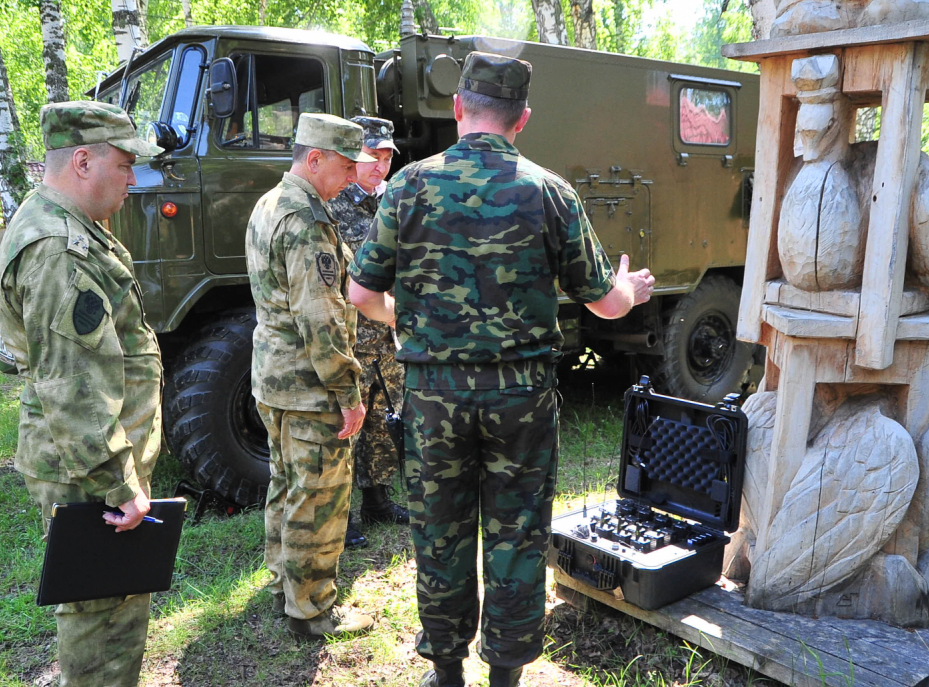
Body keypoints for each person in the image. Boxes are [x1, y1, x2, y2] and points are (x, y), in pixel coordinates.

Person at [348, 52, 655, 687]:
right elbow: (603, 299)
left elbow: (360, 293)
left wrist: (409, 321)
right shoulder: (549, 191)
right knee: (517, 536)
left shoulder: (406, 186)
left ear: (459, 108)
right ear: (523, 118)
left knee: (439, 535)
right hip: (521, 399)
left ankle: (446, 673)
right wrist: (631, 288)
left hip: (433, 398)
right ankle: (506, 677)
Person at [0, 101, 166, 686]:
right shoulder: (57, 249)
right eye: (125, 165)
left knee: (109, 607)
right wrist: (117, 484)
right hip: (88, 467)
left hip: (91, 459)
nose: (134, 179)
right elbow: (73, 385)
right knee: (104, 618)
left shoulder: (71, 227)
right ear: (84, 160)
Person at [245, 112, 379, 640]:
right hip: (308, 385)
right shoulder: (307, 220)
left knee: (286, 483)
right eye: (346, 167)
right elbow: (320, 317)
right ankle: (312, 606)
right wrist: (348, 391)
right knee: (319, 498)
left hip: (273, 379)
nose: (351, 178)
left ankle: (284, 580)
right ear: (314, 158)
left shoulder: (269, 203)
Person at [327, 116, 408, 550]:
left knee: (382, 417)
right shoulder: (333, 206)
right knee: (347, 422)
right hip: (349, 336)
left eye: (386, 157)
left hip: (387, 334)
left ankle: (378, 499)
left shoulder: (393, 203)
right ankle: (344, 515)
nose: (379, 166)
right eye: (371, 157)